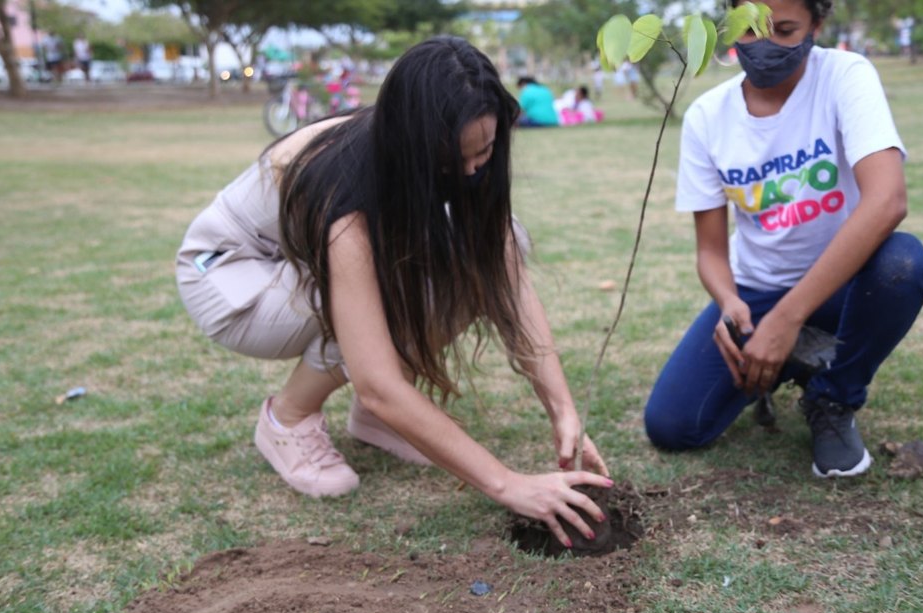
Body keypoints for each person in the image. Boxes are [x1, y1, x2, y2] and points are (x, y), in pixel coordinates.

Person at [176, 36, 611, 547]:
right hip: (228, 274)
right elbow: (380, 382)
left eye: (486, 151)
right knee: (370, 299)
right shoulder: (343, 190)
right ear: (415, 145)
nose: (473, 171)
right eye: (455, 160)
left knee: (497, 242)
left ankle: (374, 424)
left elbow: (506, 274)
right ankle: (286, 420)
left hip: (301, 268)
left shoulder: (456, 162)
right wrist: (508, 484)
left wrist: (562, 408)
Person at [644, 0, 923, 478]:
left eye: (785, 30)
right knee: (674, 427)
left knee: (902, 264)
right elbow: (712, 251)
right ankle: (794, 359)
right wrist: (729, 301)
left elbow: (887, 201)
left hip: (844, 288)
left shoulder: (845, 76)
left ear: (817, 25)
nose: (765, 45)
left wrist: (787, 318)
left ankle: (832, 398)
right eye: (751, 29)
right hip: (758, 293)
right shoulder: (707, 117)